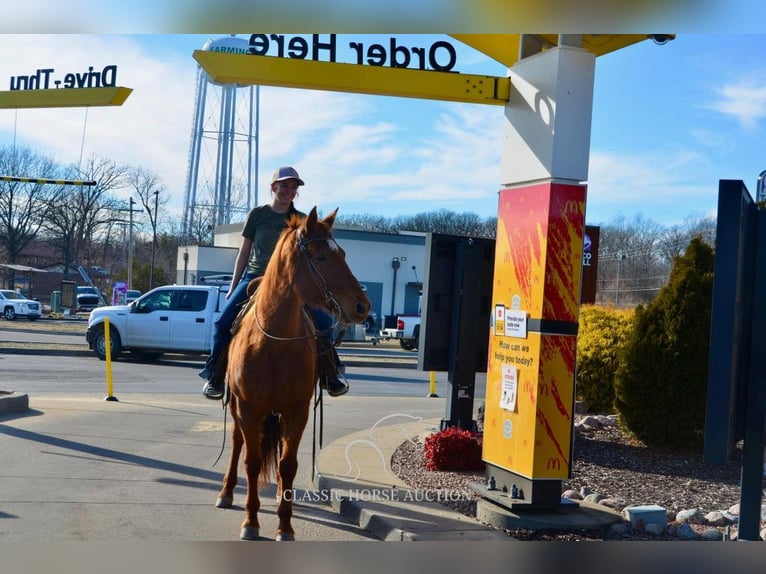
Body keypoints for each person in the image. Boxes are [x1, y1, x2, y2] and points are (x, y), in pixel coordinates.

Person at [199, 166, 349, 400]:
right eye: (284, 185)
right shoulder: (257, 215)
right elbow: (244, 251)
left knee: (322, 321)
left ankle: (331, 375)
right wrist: (233, 285)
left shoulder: (301, 220)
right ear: (273, 187)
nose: (289, 190)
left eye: (294, 186)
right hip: (255, 278)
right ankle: (215, 376)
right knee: (222, 322)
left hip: (291, 283)